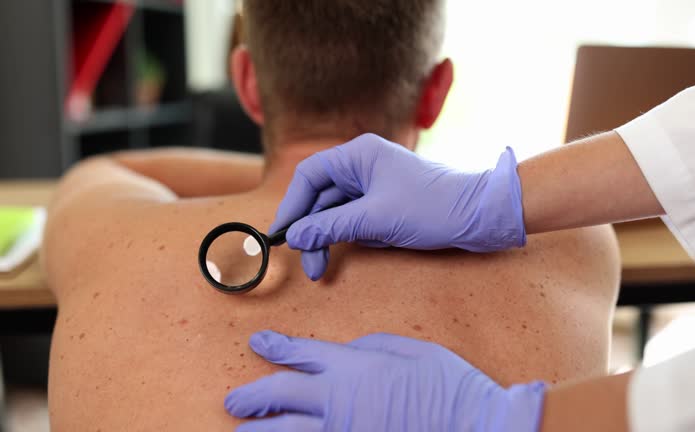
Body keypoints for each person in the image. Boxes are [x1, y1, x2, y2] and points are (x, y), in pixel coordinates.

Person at [42, 0, 621, 430]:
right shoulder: (574, 238)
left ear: (246, 83)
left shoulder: (103, 225)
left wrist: (295, 167)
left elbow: (113, 165)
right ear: (436, 90)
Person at [223, 21, 695, 432]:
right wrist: (490, 197)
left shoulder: (135, 215)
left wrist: (508, 420)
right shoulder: (581, 246)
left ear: (245, 79)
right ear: (438, 91)